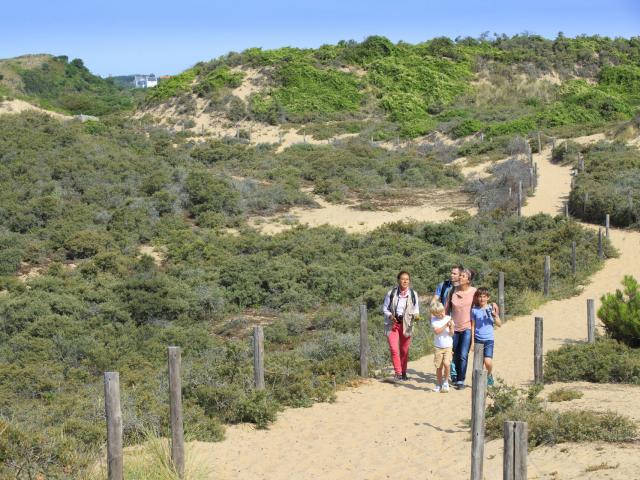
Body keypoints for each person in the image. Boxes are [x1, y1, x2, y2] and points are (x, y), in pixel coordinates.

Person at [382, 270, 420, 381]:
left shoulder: (413, 294)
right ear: (398, 280)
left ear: (409, 281)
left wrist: (416, 316)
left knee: (404, 350)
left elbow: (416, 308)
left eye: (407, 279)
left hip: (407, 324)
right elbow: (385, 308)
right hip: (392, 324)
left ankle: (403, 372)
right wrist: (390, 316)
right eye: (403, 279)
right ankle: (398, 373)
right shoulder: (391, 293)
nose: (405, 281)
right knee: (394, 349)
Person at [447, 268, 477, 389]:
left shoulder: (474, 292)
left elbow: (483, 302)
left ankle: (461, 380)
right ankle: (454, 375)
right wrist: (446, 321)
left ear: (468, 280)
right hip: (454, 327)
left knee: (463, 354)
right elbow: (446, 309)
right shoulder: (452, 291)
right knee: (453, 353)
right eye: (460, 276)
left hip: (467, 327)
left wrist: (494, 305)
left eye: (463, 276)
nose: (460, 278)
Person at [432, 265, 463, 382]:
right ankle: (452, 374)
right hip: (445, 320)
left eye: (455, 274)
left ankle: (455, 373)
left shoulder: (463, 287)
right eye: (451, 273)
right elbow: (434, 300)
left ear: (461, 275)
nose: (452, 275)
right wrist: (433, 313)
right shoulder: (443, 285)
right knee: (449, 346)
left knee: (458, 349)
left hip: (459, 321)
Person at [471, 287, 502, 386]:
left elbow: (499, 324)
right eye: (480, 297)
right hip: (477, 339)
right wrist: (472, 342)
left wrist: (495, 316)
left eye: (484, 297)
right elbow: (472, 326)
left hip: (489, 339)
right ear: (477, 297)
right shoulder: (474, 310)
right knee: (478, 363)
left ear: (488, 297)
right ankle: (478, 382)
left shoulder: (491, 308)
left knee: (487, 362)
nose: (482, 299)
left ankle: (489, 375)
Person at [430, 301, 454, 393]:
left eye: (443, 312)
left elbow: (452, 334)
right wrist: (446, 325)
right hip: (438, 347)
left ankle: (446, 382)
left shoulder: (448, 318)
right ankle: (439, 384)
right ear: (435, 314)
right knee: (439, 367)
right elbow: (437, 331)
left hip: (448, 346)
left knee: (447, 363)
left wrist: (451, 327)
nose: (442, 315)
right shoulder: (433, 320)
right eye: (439, 314)